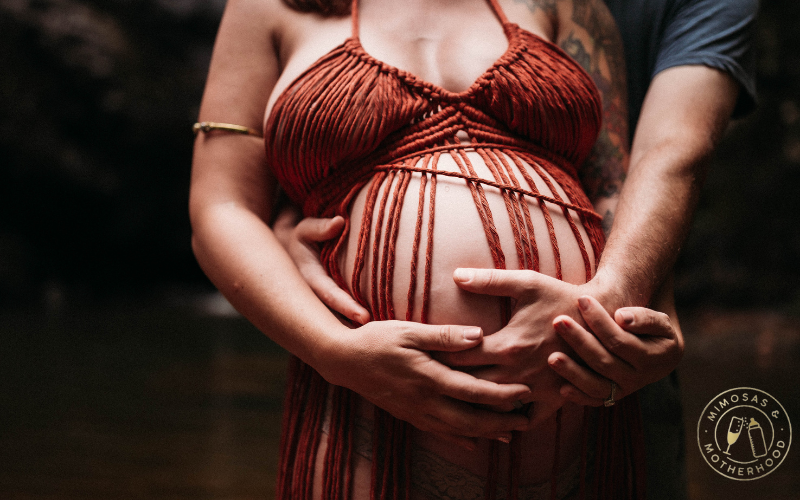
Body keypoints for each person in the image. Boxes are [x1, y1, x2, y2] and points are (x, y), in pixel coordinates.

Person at [189, 0, 705, 498]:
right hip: (367, 400)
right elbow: (222, 207)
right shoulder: (270, 4)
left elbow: (615, 188)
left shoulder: (567, 2)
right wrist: (334, 352)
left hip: (573, 387)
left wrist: (637, 308)